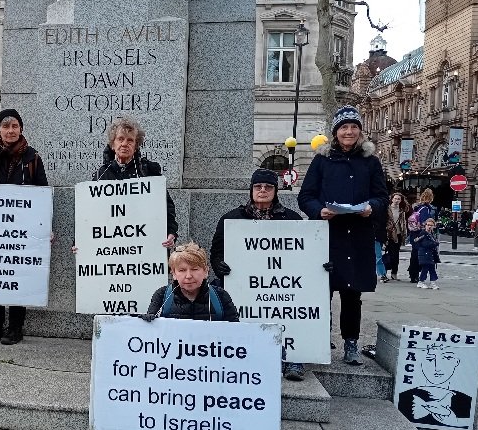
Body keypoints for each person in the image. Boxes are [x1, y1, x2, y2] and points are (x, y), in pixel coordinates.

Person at [297, 105, 388, 366]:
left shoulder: (370, 161)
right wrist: (319, 210)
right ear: (335, 132)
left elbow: (381, 196)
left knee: (352, 294)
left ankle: (351, 343)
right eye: (344, 127)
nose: (349, 132)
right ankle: (318, 338)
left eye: (353, 127)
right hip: (327, 236)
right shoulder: (322, 160)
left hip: (357, 235)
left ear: (360, 131)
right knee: (320, 292)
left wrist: (372, 207)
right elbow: (306, 197)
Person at [209, 168, 304, 379]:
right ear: (251, 190)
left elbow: (305, 252)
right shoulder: (232, 218)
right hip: (242, 284)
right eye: (258, 186)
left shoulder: (292, 219)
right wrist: (219, 266)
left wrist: (318, 267)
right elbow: (216, 251)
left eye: (268, 187)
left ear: (276, 190)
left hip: (281, 284)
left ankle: (293, 359)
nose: (263, 190)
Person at [0, 109, 48, 345]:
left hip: (23, 230)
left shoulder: (32, 158)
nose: (10, 130)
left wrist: (45, 227)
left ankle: (15, 327)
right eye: (5, 126)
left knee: (18, 275)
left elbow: (42, 194)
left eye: (14, 126)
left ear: (21, 129)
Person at [93, 117, 178, 248]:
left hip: (144, 244)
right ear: (113, 144)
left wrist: (171, 232)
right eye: (120, 139)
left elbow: (166, 206)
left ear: (136, 145)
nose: (125, 144)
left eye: (130, 140)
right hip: (111, 245)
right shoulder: (102, 174)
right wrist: (81, 241)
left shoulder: (149, 171)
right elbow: (90, 212)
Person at [144, 242, 238, 322]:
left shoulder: (220, 296)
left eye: (194, 269)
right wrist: (148, 322)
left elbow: (237, 333)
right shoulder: (162, 296)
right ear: (173, 274)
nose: (188, 276)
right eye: (182, 270)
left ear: (206, 271)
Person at [407, 188, 437, 283]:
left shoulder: (417, 207)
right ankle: (414, 274)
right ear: (431, 198)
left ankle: (413, 273)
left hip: (414, 234)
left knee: (414, 254)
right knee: (419, 255)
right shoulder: (426, 209)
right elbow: (425, 223)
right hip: (420, 235)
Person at [385, 193, 410, 280]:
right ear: (392, 199)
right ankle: (384, 272)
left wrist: (405, 233)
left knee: (395, 255)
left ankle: (394, 272)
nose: (396, 200)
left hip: (399, 234)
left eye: (398, 199)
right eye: (395, 198)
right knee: (389, 254)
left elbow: (404, 222)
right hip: (389, 234)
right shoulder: (387, 209)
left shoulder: (402, 210)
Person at [415, 218, 440, 290]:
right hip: (424, 254)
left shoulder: (431, 234)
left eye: (431, 225)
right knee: (425, 268)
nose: (429, 227)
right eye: (428, 225)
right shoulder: (423, 234)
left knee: (432, 269)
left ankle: (433, 282)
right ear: (425, 225)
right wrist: (435, 243)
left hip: (430, 254)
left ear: (434, 226)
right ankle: (421, 281)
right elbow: (425, 244)